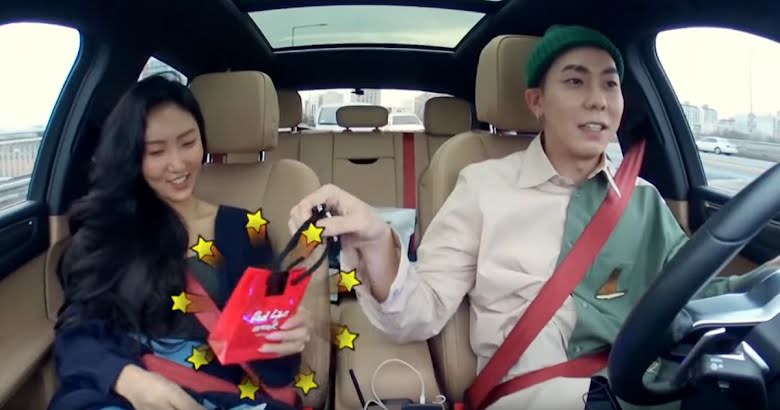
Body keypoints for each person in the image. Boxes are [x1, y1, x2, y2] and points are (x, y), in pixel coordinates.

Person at [289, 26, 779, 409]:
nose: (598, 98)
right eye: (575, 81)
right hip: (546, 396)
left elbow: (695, 292)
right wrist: (378, 241)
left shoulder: (643, 198)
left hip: (652, 388)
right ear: (536, 102)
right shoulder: (482, 186)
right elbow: (420, 312)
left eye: (610, 83)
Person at [50, 76, 311, 410]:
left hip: (221, 396)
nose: (177, 164)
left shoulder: (243, 228)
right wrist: (126, 378)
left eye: (188, 143)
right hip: (120, 389)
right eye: (156, 151)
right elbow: (76, 330)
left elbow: (270, 363)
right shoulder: (107, 229)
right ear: (131, 156)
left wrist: (284, 337)